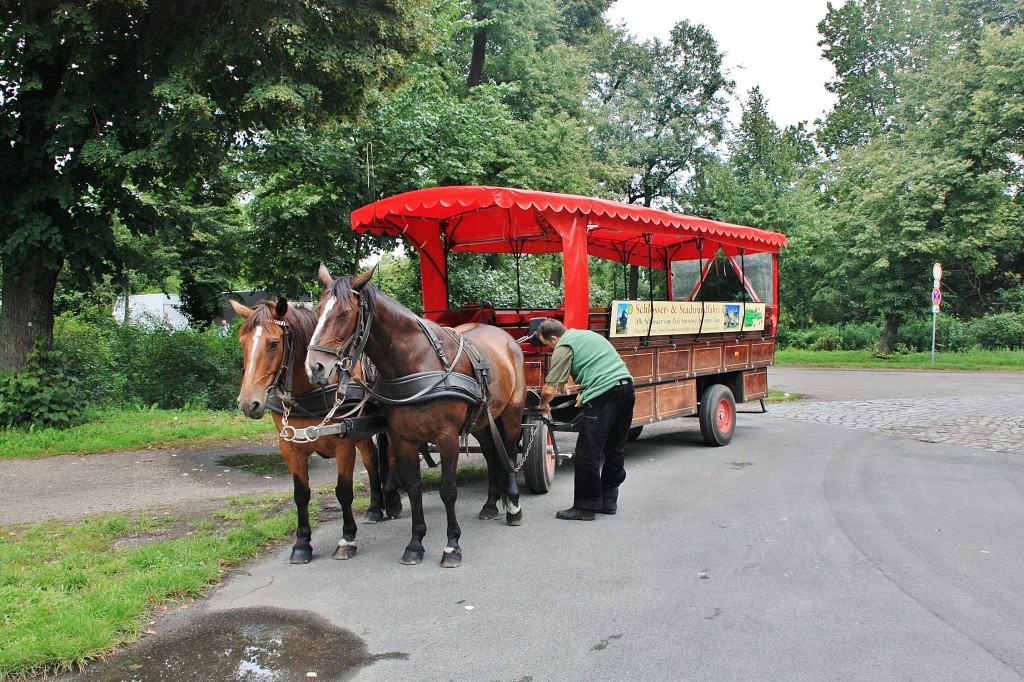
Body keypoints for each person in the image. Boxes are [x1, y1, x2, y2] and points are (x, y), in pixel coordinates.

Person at [536, 318, 635, 520]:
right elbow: (599, 366)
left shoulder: (563, 346)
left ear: (554, 338)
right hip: (626, 389)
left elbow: (549, 389)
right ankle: (608, 500)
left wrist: (543, 404)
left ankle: (585, 507)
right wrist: (585, 391)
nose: (549, 349)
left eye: (547, 345)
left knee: (586, 452)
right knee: (614, 448)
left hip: (605, 395)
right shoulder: (587, 335)